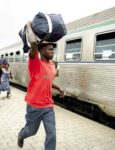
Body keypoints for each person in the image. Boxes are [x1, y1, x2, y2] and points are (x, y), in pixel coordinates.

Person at [17, 21, 64, 150]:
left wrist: (59, 88)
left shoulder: (52, 65)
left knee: (52, 135)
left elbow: (47, 80)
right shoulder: (35, 63)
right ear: (41, 50)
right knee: (31, 131)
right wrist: (28, 26)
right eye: (49, 49)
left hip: (48, 106)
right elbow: (33, 44)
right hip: (34, 106)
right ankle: (21, 135)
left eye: (53, 49)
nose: (52, 51)